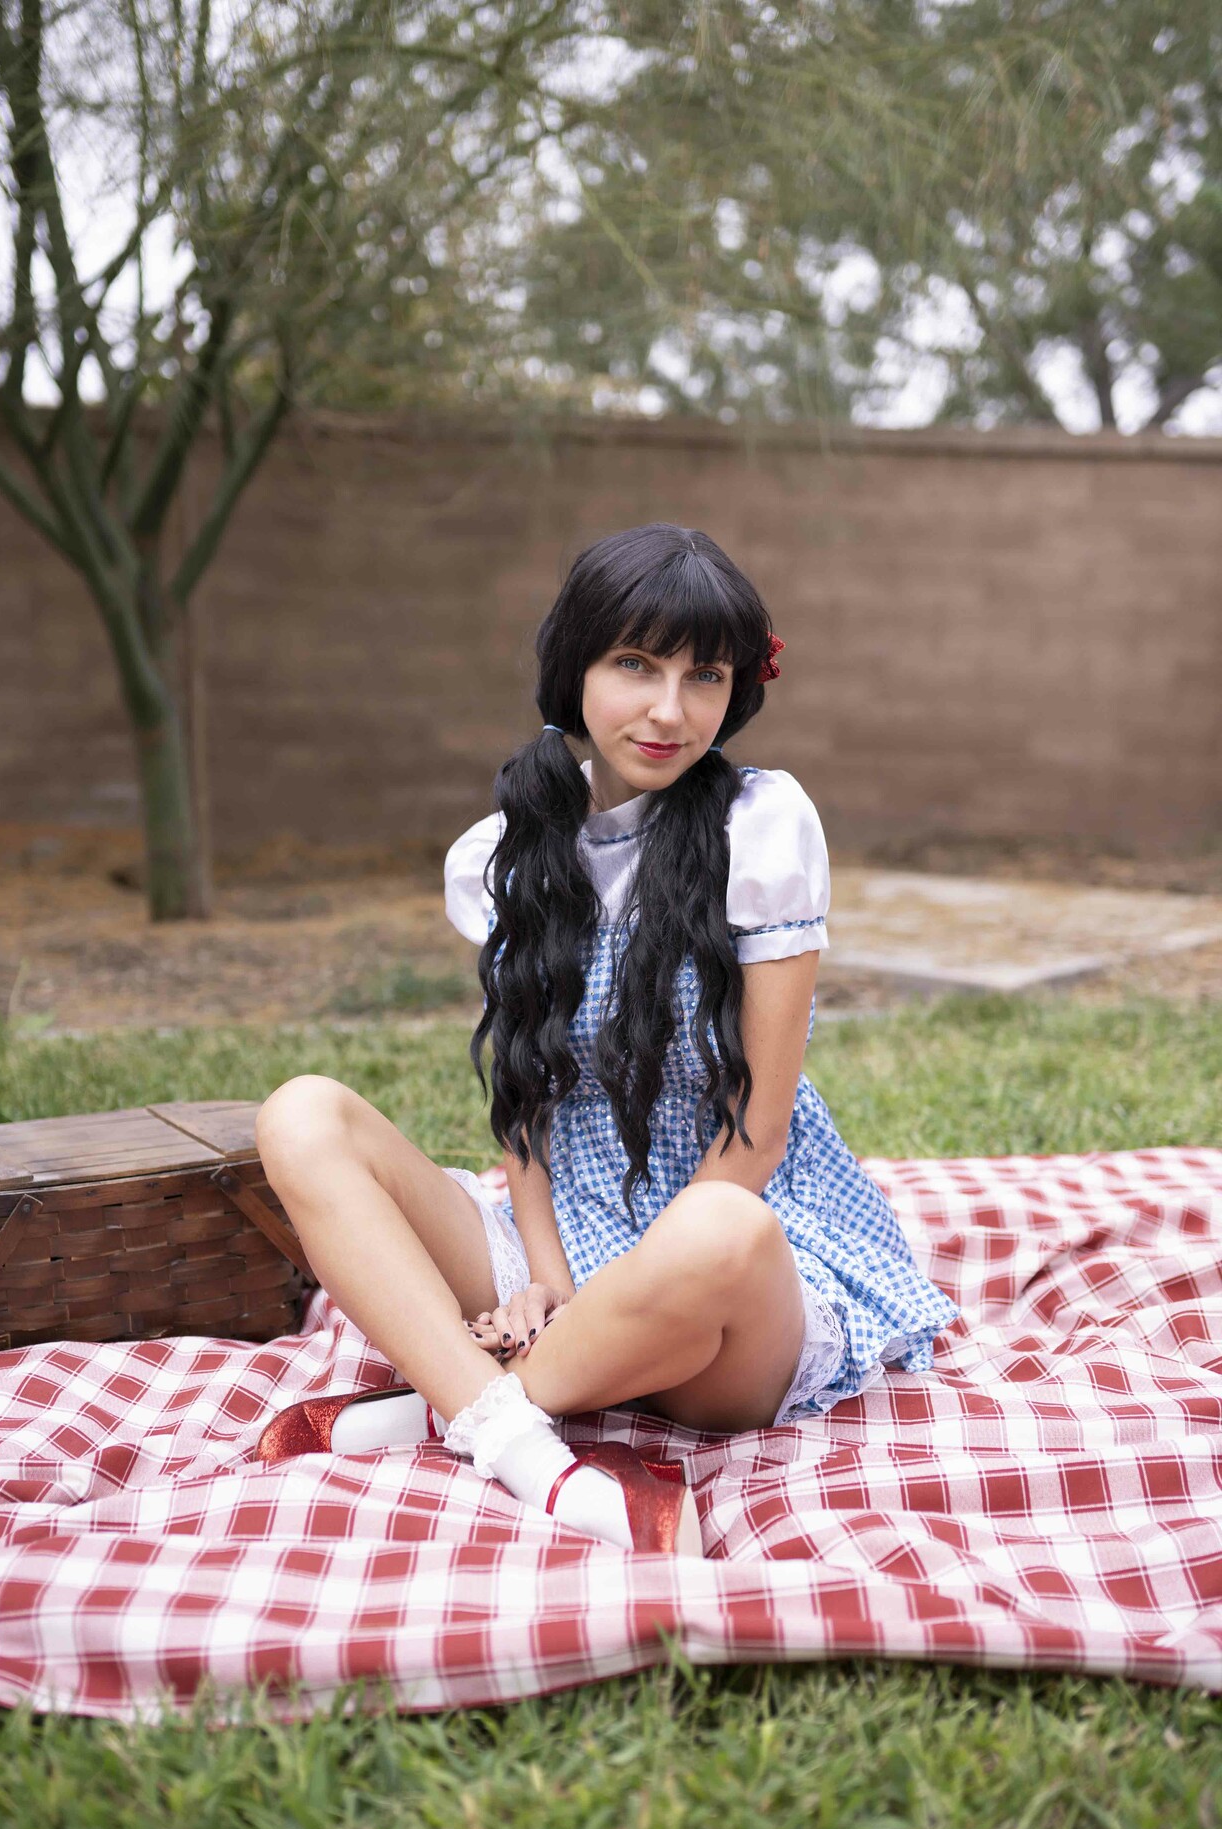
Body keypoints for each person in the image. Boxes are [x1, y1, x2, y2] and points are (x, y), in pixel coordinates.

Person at [250, 523, 957, 1555]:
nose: (669, 710)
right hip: (561, 1242)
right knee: (303, 1114)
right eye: (635, 665)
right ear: (574, 667)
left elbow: (755, 1135)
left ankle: (459, 1407)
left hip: (721, 1285)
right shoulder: (505, 856)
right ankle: (526, 1450)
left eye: (703, 676)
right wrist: (547, 1281)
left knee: (719, 1228)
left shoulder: (760, 827)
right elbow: (526, 1106)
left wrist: (608, 1299)